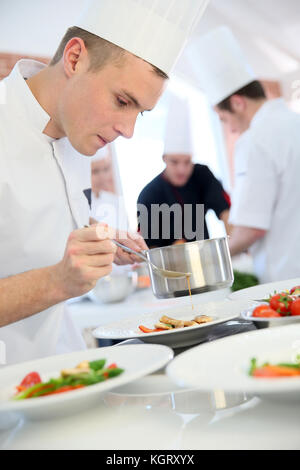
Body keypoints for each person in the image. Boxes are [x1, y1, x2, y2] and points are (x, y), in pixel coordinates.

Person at [0, 0, 210, 364]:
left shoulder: (74, 134)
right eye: (121, 100)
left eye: (139, 113)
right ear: (75, 58)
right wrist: (58, 281)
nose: (128, 131)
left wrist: (101, 238)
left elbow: (31, 224)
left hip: (65, 370)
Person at [189, 26, 300, 282]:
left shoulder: (254, 140)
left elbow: (251, 229)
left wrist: (203, 264)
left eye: (224, 118)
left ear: (238, 102)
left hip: (288, 282)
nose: (230, 128)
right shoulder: (294, 122)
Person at [137, 93, 231, 248]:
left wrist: (234, 247)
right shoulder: (149, 195)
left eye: (187, 162)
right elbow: (150, 248)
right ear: (164, 158)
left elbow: (226, 213)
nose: (182, 169)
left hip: (205, 256)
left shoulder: (201, 175)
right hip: (170, 269)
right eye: (175, 162)